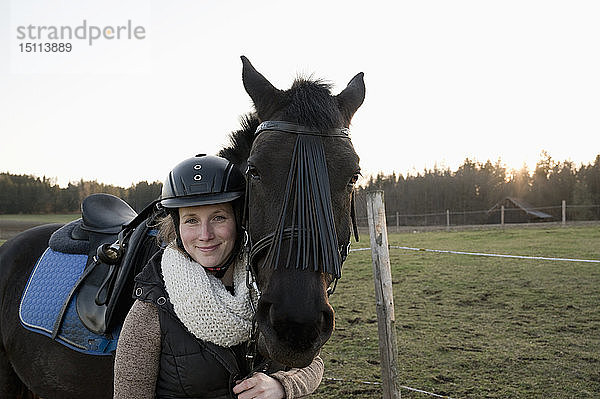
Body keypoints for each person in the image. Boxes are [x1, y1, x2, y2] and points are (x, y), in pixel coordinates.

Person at [113, 154, 324, 399]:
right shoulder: (150, 310)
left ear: (238, 221)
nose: (205, 234)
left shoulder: (272, 289)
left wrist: (281, 386)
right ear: (177, 226)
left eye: (218, 217)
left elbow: (313, 362)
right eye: (191, 220)